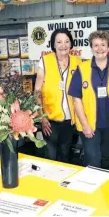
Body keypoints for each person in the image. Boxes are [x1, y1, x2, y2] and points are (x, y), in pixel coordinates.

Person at [68, 31, 109, 168]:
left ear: (108, 47)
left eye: (103, 45)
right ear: (91, 48)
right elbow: (76, 99)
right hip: (89, 125)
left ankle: (102, 187)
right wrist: (85, 124)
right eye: (96, 45)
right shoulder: (82, 69)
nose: (100, 49)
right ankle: (91, 186)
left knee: (105, 157)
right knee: (93, 160)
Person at [35, 28, 81, 163]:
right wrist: (42, 117)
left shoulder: (78, 62)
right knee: (50, 155)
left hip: (69, 119)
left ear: (71, 44)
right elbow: (36, 91)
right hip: (50, 119)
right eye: (59, 42)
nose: (63, 45)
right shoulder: (45, 61)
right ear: (53, 44)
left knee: (65, 154)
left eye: (67, 41)